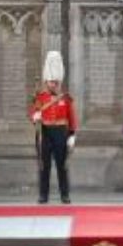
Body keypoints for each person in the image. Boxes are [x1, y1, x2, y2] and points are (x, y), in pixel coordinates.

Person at [30, 51, 77, 205]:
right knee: (44, 166)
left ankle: (65, 195)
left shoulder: (65, 98)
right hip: (45, 133)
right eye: (51, 82)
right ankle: (43, 195)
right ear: (46, 81)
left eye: (56, 82)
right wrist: (35, 116)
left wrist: (71, 135)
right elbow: (33, 111)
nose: (54, 85)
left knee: (62, 166)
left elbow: (71, 117)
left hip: (60, 133)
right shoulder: (40, 97)